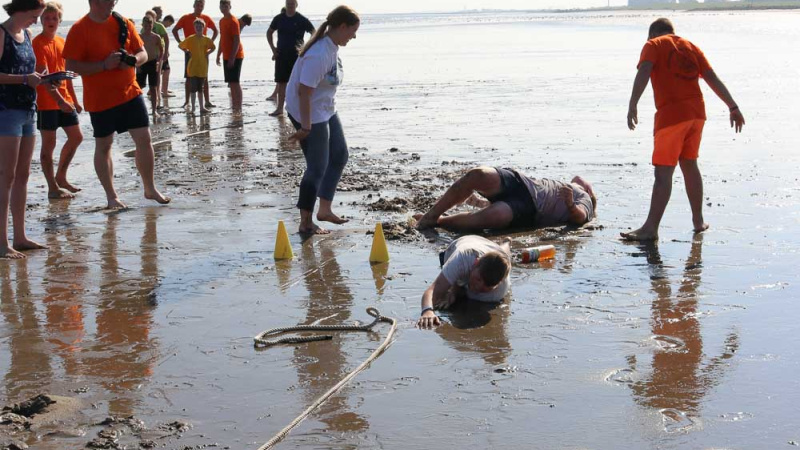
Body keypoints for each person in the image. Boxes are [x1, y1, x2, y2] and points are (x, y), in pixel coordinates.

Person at [623, 18, 745, 241]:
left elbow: (645, 70)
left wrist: (633, 103)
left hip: (671, 116)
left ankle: (651, 228)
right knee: (689, 164)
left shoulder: (653, 45)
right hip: (696, 114)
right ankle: (698, 221)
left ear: (652, 34)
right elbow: (711, 77)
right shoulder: (691, 47)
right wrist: (733, 106)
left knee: (663, 173)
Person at [63, 0, 170, 209]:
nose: (113, 3)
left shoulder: (122, 22)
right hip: (100, 99)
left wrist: (131, 60)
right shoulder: (79, 29)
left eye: (115, 0)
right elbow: (71, 66)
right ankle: (111, 196)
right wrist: (103, 65)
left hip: (130, 92)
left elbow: (143, 53)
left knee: (144, 140)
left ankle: (150, 188)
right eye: (108, 0)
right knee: (104, 146)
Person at [285, 5, 358, 234]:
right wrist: (305, 127)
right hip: (308, 112)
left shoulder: (332, 47)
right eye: (352, 31)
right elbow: (303, 92)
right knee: (317, 167)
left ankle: (324, 209)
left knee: (340, 154)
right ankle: (305, 221)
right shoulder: (319, 53)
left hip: (325, 109)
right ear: (342, 26)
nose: (354, 36)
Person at [415, 166, 596, 232]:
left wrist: (571, 204)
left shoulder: (586, 199)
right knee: (478, 175)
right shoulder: (571, 184)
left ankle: (439, 221)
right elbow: (577, 178)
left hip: (530, 208)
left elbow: (580, 218)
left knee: (496, 215)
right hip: (523, 182)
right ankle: (431, 215)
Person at [0, 0, 46, 259]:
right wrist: (24, 79)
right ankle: (1, 242)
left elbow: (29, 71)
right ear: (20, 9)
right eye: (33, 16)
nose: (36, 22)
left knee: (23, 175)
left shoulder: (27, 34)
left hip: (29, 109)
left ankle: (20, 236)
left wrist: (43, 78)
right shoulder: (1, 33)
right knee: (5, 176)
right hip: (5, 111)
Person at [33, 1, 83, 199]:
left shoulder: (61, 42)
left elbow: (65, 75)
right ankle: (52, 187)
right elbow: (44, 79)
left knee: (77, 137)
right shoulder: (38, 43)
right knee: (49, 145)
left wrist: (75, 100)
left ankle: (61, 176)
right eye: (47, 18)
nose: (51, 21)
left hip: (65, 99)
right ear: (41, 20)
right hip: (47, 103)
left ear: (60, 20)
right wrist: (60, 101)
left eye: (54, 18)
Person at [417, 236, 511, 329]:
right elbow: (433, 289)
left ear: (498, 284)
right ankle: (506, 243)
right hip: (466, 242)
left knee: (504, 255)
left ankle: (506, 243)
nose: (479, 287)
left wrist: (455, 291)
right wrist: (427, 311)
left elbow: (464, 292)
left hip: (491, 248)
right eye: (478, 279)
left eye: (487, 286)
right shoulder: (461, 259)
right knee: (499, 252)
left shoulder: (497, 293)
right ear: (476, 263)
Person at [267, 0, 314, 117]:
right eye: (288, 3)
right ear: (285, 4)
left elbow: (314, 32)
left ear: (296, 5)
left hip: (297, 56)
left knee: (298, 83)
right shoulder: (279, 18)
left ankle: (298, 110)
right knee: (281, 82)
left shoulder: (301, 19)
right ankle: (279, 109)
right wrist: (273, 48)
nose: (290, 5)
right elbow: (269, 32)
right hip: (281, 55)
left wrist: (306, 48)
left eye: (292, 3)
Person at [173, 0, 217, 109]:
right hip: (190, 51)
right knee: (189, 77)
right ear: (194, 5)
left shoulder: (206, 18)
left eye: (201, 5)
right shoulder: (186, 17)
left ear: (203, 6)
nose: (199, 7)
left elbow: (216, 31)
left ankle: (207, 101)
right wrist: (183, 46)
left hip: (203, 52)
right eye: (197, 5)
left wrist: (209, 44)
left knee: (204, 76)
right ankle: (187, 101)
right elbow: (175, 30)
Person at [178, 18, 214, 114]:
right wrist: (187, 51)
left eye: (200, 26)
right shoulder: (191, 38)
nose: (198, 28)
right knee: (193, 87)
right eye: (196, 26)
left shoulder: (206, 39)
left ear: (203, 27)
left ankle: (202, 107)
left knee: (200, 88)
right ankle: (193, 108)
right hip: (192, 66)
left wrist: (208, 53)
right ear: (194, 27)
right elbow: (181, 45)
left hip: (202, 67)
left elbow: (213, 47)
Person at [216, 0, 242, 111]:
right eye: (222, 5)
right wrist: (218, 54)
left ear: (230, 7)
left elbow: (237, 40)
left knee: (235, 82)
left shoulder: (233, 21)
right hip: (226, 55)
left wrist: (232, 58)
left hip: (236, 55)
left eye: (226, 5)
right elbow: (222, 38)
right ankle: (234, 105)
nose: (224, 7)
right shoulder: (222, 21)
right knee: (230, 82)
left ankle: (238, 106)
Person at [137, 15, 164, 117]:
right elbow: (135, 51)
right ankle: (139, 109)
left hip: (153, 63)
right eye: (146, 25)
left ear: (152, 25)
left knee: (153, 87)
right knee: (139, 87)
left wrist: (159, 61)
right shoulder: (139, 37)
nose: (148, 27)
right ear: (143, 25)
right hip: (142, 64)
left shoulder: (156, 37)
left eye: (150, 25)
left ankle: (154, 110)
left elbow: (162, 50)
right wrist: (137, 65)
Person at [142, 8, 169, 107]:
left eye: (150, 16)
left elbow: (166, 39)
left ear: (154, 18)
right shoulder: (143, 30)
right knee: (143, 82)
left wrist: (166, 52)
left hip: (157, 56)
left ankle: (158, 97)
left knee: (157, 77)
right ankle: (152, 96)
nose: (148, 18)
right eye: (146, 15)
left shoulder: (159, 27)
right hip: (146, 58)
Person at [160, 13, 175, 97]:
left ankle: (163, 89)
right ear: (167, 21)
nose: (169, 26)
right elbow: (165, 40)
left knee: (161, 71)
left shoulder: (158, 26)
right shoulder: (161, 27)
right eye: (170, 24)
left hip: (161, 52)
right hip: (161, 53)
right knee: (166, 70)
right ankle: (164, 90)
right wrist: (166, 52)